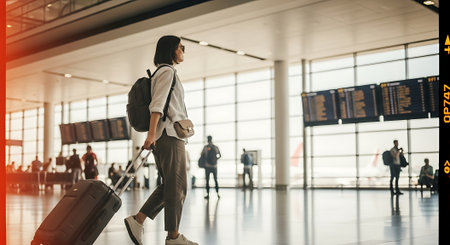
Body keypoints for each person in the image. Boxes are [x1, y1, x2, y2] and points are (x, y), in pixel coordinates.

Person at [124, 35, 198, 245]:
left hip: (166, 136)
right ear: (171, 50)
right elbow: (157, 105)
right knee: (177, 186)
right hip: (169, 136)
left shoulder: (163, 72)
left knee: (171, 186)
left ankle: (138, 220)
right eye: (180, 47)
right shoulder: (167, 71)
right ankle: (173, 237)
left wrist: (153, 135)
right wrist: (150, 135)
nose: (183, 50)